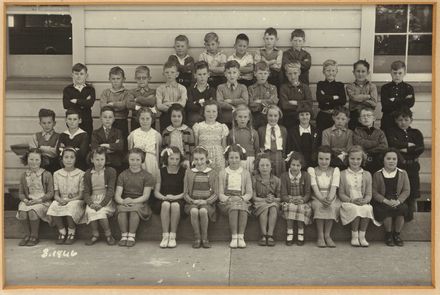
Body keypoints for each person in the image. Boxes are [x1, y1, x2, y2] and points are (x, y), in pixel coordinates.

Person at [386, 108, 424, 220]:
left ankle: (414, 222)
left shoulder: (416, 133)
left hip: (412, 167)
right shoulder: (392, 132)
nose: (403, 122)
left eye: (406, 119)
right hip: (399, 167)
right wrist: (408, 145)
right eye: (400, 120)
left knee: (413, 195)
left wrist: (404, 150)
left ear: (411, 120)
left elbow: (420, 148)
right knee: (400, 194)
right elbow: (392, 145)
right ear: (396, 121)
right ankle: (401, 219)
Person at [339, 145, 379, 247]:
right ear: (348, 159)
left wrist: (365, 201)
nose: (355, 161)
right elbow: (341, 194)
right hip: (348, 202)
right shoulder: (342, 174)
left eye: (358, 159)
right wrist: (352, 200)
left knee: (367, 209)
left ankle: (362, 236)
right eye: (352, 159)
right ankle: (354, 236)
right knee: (355, 210)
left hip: (362, 201)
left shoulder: (367, 174)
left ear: (362, 159)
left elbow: (369, 194)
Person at [114, 148, 155, 247]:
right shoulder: (123, 175)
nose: (135, 162)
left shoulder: (147, 176)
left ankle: (131, 235)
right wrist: (122, 201)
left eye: (138, 160)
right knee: (121, 209)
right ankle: (124, 235)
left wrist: (133, 201)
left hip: (140, 202)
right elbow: (117, 195)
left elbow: (146, 196)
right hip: (125, 201)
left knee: (134, 210)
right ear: (128, 160)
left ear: (142, 161)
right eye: (132, 160)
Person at [372, 148, 411, 247]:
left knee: (402, 209)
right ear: (383, 160)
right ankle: (388, 235)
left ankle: (397, 235)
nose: (391, 161)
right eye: (388, 158)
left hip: (398, 200)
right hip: (383, 201)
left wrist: (398, 201)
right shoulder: (377, 174)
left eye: (394, 159)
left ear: (397, 160)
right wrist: (385, 201)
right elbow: (374, 192)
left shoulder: (403, 173)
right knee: (386, 210)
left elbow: (406, 190)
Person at [47, 147, 85, 245]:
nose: (69, 160)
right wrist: (59, 200)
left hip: (76, 199)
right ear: (62, 159)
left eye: (72, 157)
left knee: (70, 207)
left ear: (75, 159)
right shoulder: (56, 174)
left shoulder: (81, 174)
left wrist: (68, 201)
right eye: (66, 157)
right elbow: (56, 194)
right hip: (61, 198)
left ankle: (71, 232)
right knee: (53, 206)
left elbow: (81, 195)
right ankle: (62, 231)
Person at [16, 148, 54, 246]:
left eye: (37, 160)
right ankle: (27, 235)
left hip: (42, 201)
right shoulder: (24, 175)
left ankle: (34, 236)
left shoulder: (46, 174)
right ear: (26, 160)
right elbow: (21, 193)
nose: (34, 162)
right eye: (31, 159)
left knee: (32, 212)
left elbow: (50, 193)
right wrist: (25, 200)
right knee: (23, 213)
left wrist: (39, 200)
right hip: (28, 201)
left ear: (41, 161)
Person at [183, 146, 219, 248]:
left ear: (206, 158)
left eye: (202, 159)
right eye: (196, 159)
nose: (199, 162)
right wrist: (192, 201)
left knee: (203, 211)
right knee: (194, 211)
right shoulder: (189, 172)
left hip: (207, 203)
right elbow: (185, 193)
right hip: (192, 203)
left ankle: (205, 237)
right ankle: (197, 237)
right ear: (193, 159)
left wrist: (206, 202)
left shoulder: (212, 173)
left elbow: (216, 193)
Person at [218, 144, 253, 249]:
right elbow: (220, 193)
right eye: (231, 158)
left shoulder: (246, 173)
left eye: (236, 157)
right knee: (234, 207)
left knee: (241, 207)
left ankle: (241, 237)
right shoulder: (223, 173)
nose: (234, 160)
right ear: (227, 158)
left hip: (241, 200)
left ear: (240, 158)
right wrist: (229, 199)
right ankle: (234, 237)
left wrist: (241, 198)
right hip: (227, 201)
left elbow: (249, 193)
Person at [308, 146, 341, 248]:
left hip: (331, 196)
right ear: (316, 158)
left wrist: (329, 199)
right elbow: (314, 187)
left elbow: (334, 187)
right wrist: (322, 199)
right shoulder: (312, 170)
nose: (324, 162)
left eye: (327, 159)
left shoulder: (335, 170)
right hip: (317, 197)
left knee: (331, 206)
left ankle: (327, 235)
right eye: (321, 159)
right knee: (319, 206)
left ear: (331, 159)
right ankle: (320, 236)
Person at [82, 147, 117, 246]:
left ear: (106, 160)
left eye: (102, 159)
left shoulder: (111, 171)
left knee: (101, 212)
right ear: (92, 159)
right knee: (91, 211)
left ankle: (108, 234)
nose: (100, 162)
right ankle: (95, 234)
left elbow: (110, 191)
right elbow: (86, 192)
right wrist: (91, 203)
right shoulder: (88, 174)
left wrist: (102, 204)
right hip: (93, 199)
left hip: (106, 199)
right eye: (97, 159)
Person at [153, 146, 186, 248]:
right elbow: (156, 192)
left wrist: (175, 197)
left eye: (177, 159)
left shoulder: (184, 171)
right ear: (167, 159)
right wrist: (164, 198)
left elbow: (185, 192)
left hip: (179, 199)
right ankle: (165, 235)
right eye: (171, 158)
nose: (174, 161)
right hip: (163, 199)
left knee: (175, 205)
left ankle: (172, 236)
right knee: (166, 204)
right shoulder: (161, 171)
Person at [280, 151, 312, 246]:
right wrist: (290, 200)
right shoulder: (284, 176)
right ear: (289, 164)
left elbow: (308, 193)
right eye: (293, 165)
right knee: (291, 208)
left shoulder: (306, 176)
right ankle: (289, 231)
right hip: (289, 200)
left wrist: (302, 200)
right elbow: (283, 194)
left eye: (298, 165)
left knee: (301, 208)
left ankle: (300, 231)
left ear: (301, 166)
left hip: (301, 200)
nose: (295, 167)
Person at [99, 66, 134, 149]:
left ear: (123, 79)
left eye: (118, 78)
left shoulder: (127, 93)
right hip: (109, 122)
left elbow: (125, 105)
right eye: (113, 79)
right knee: (109, 142)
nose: (115, 81)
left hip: (122, 121)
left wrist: (112, 104)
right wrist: (118, 106)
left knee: (122, 143)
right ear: (109, 79)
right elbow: (103, 107)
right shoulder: (106, 92)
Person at [252, 153, 281, 246]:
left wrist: (273, 199)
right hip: (259, 203)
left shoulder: (277, 180)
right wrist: (265, 200)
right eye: (262, 165)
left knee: (272, 208)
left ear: (271, 167)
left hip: (273, 203)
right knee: (265, 209)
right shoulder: (254, 179)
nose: (265, 168)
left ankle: (270, 234)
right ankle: (263, 234)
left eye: (267, 165)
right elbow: (253, 197)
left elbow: (280, 198)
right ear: (258, 167)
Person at [192, 100, 229, 173]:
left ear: (218, 112)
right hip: (203, 158)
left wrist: (225, 159)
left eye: (214, 111)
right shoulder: (198, 126)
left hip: (218, 157)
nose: (211, 114)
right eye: (208, 111)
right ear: (203, 113)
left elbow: (224, 146)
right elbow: (196, 145)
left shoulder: (222, 127)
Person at [62, 63, 96, 138]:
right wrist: (84, 101)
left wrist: (76, 101)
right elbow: (66, 105)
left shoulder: (90, 89)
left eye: (81, 74)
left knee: (87, 138)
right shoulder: (68, 89)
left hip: (86, 119)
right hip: (72, 120)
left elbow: (90, 103)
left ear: (86, 75)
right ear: (72, 75)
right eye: (76, 74)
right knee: (73, 138)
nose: (79, 76)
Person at [380, 61, 415, 132]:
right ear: (391, 73)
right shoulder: (385, 88)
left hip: (402, 121)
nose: (397, 75)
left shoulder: (408, 88)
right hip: (388, 121)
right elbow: (385, 106)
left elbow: (410, 104)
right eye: (395, 73)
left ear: (404, 73)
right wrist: (403, 100)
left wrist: (394, 100)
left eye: (400, 73)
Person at [127, 107, 161, 181]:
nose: (145, 121)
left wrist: (157, 166)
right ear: (138, 119)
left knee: (151, 182)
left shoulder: (156, 135)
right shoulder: (133, 134)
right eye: (142, 119)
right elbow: (130, 151)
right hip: (138, 162)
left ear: (152, 119)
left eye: (147, 118)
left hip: (151, 162)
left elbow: (158, 151)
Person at [353, 106, 388, 174]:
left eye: (368, 115)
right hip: (362, 162)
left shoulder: (380, 132)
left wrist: (368, 151)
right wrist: (376, 143)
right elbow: (358, 144)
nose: (366, 118)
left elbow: (384, 146)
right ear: (359, 119)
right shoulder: (357, 131)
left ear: (374, 118)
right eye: (363, 116)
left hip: (377, 162)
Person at [90, 106, 125, 174]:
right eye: (105, 117)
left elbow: (120, 146)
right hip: (100, 162)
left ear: (114, 118)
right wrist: (113, 147)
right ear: (101, 118)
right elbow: (94, 147)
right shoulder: (95, 133)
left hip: (115, 162)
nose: (107, 119)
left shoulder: (118, 132)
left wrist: (106, 145)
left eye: (110, 117)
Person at [315, 59, 347, 134]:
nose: (330, 73)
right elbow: (320, 99)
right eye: (328, 71)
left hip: (336, 116)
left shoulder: (339, 85)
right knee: (322, 136)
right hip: (323, 115)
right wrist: (334, 97)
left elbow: (343, 101)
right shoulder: (320, 84)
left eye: (333, 71)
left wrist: (326, 97)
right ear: (323, 72)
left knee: (335, 135)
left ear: (336, 72)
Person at [156, 61, 188, 132]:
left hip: (179, 115)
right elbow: (159, 105)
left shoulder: (182, 88)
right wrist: (176, 103)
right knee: (165, 123)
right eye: (167, 72)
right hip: (166, 114)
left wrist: (167, 104)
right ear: (163, 74)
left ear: (177, 74)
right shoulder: (160, 89)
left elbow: (183, 104)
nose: (169, 75)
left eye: (172, 72)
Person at [279, 62, 312, 129]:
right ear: (286, 74)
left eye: (295, 73)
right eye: (290, 74)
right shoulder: (283, 87)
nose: (293, 76)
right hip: (288, 119)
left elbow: (309, 104)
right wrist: (302, 104)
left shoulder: (305, 87)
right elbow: (285, 105)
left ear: (299, 72)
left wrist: (297, 103)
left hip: (303, 118)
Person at [346, 60, 378, 130]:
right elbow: (354, 98)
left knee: (367, 136)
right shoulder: (350, 86)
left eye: (363, 71)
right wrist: (368, 96)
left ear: (368, 72)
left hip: (368, 117)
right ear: (353, 72)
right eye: (358, 71)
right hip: (354, 116)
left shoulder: (372, 86)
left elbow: (374, 103)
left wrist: (359, 99)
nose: (360, 74)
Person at [216, 60, 249, 127]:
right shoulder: (220, 87)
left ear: (238, 73)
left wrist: (231, 101)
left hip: (239, 119)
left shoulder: (243, 87)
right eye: (229, 73)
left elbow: (245, 101)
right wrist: (232, 107)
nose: (232, 75)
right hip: (224, 118)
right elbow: (219, 102)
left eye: (234, 72)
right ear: (225, 74)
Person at [286, 101, 319, 169]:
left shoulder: (316, 131)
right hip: (297, 165)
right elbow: (289, 149)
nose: (304, 117)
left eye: (307, 114)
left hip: (313, 164)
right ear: (298, 116)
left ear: (310, 115)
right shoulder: (292, 132)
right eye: (302, 115)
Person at [227, 104, 259, 173]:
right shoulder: (231, 133)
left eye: (245, 117)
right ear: (236, 118)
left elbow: (257, 150)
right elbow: (228, 149)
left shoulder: (254, 133)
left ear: (248, 118)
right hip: (236, 160)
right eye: (240, 117)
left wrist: (256, 164)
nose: (242, 119)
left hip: (250, 161)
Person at [161, 104, 195, 168]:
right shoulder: (166, 132)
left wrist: (191, 162)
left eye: (179, 116)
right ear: (170, 117)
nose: (176, 118)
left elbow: (192, 149)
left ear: (183, 117)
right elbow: (164, 149)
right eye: (174, 116)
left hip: (185, 161)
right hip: (171, 161)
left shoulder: (188, 131)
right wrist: (164, 162)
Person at [258, 104, 287, 177]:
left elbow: (285, 144)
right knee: (267, 175)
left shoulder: (283, 130)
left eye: (275, 116)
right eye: (270, 115)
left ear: (279, 117)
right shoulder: (261, 130)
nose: (273, 118)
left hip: (279, 155)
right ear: (266, 116)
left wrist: (283, 157)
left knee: (279, 176)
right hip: (266, 154)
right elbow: (260, 145)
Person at [248, 61, 279, 129]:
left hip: (270, 117)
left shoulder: (272, 88)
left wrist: (259, 101)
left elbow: (274, 102)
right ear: (255, 74)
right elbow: (251, 104)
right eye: (260, 73)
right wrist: (267, 102)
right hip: (255, 117)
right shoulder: (251, 88)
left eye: (265, 73)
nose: (263, 76)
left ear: (269, 74)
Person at [28, 108, 60, 174]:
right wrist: (49, 149)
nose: (46, 125)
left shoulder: (59, 136)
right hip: (38, 167)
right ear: (40, 123)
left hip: (54, 167)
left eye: (49, 123)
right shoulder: (35, 136)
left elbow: (56, 152)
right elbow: (34, 152)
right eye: (44, 123)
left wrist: (41, 148)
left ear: (54, 123)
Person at [186, 61, 216, 127]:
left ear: (208, 74)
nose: (202, 77)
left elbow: (212, 105)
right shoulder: (190, 90)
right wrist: (205, 102)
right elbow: (190, 106)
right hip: (193, 118)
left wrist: (196, 102)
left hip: (208, 117)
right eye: (199, 74)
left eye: (204, 74)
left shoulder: (212, 90)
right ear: (195, 75)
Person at [128, 65, 156, 131]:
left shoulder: (153, 92)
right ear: (135, 78)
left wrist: (137, 99)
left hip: (150, 121)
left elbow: (152, 102)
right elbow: (128, 104)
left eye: (144, 78)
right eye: (138, 78)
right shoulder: (132, 92)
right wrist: (147, 101)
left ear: (149, 78)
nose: (141, 80)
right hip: (136, 121)